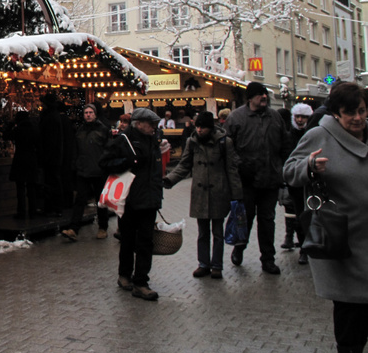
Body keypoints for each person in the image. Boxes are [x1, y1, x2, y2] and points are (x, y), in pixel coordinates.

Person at [284, 82, 368, 353]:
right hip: (343, 238)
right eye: (349, 113)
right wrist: (309, 165)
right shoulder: (320, 134)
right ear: (335, 113)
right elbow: (290, 170)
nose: (357, 118)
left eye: (361, 111)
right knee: (351, 311)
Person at [100, 107, 170, 301]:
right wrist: (127, 162)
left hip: (149, 199)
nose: (154, 128)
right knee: (128, 239)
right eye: (151, 125)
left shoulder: (154, 140)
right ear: (139, 124)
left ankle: (141, 282)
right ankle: (124, 275)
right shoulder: (123, 140)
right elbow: (105, 163)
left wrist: (157, 195)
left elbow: (155, 170)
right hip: (129, 199)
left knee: (146, 242)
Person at [163, 111, 243, 280]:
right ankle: (203, 264)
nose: (199, 130)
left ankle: (217, 265)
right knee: (202, 232)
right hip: (200, 193)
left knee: (218, 232)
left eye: (203, 127)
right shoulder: (191, 142)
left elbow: (232, 169)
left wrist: (236, 195)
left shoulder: (224, 142)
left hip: (218, 192)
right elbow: (184, 165)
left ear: (210, 127)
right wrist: (170, 180)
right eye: (197, 126)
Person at [224, 82, 291, 274]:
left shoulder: (275, 117)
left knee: (267, 221)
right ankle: (239, 248)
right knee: (246, 219)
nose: (264, 97)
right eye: (260, 94)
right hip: (247, 181)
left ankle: (268, 259)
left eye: (265, 94)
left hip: (270, 179)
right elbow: (228, 147)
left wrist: (282, 167)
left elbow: (285, 144)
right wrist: (240, 166)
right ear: (250, 97)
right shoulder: (236, 118)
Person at [62, 104, 110, 241]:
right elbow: (75, 149)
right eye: (86, 113)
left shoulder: (103, 130)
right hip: (83, 170)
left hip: (99, 170)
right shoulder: (80, 130)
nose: (88, 115)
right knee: (80, 200)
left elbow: (108, 149)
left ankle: (102, 227)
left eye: (90, 112)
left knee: (100, 201)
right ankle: (74, 228)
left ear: (95, 114)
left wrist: (105, 165)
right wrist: (75, 165)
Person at [282, 102, 313, 264]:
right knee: (300, 216)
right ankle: (303, 247)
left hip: (311, 181)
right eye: (298, 117)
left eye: (304, 117)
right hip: (295, 183)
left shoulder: (312, 134)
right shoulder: (288, 136)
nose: (300, 120)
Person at [6, 110, 41, 219]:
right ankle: (32, 211)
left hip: (20, 158)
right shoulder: (35, 130)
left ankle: (21, 211)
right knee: (31, 187)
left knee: (20, 188)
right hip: (31, 159)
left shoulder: (17, 130)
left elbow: (6, 135)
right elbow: (39, 145)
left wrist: (10, 124)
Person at [38, 94, 64, 217]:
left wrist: (45, 156)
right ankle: (55, 207)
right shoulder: (54, 116)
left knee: (51, 181)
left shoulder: (50, 118)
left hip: (50, 157)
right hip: (53, 156)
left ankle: (52, 207)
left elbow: (50, 139)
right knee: (53, 181)